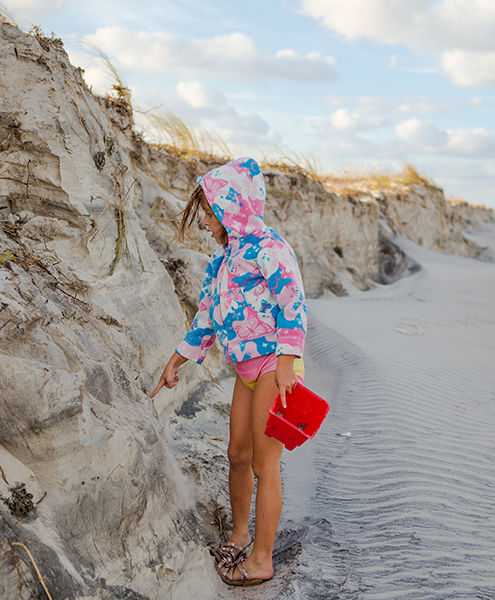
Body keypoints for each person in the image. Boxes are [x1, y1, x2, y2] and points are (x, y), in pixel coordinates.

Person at [151, 157, 306, 587]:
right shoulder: (220, 262)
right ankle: (239, 533)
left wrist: (289, 364)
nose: (203, 219)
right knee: (237, 454)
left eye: (207, 210)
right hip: (246, 371)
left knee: (264, 463)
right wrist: (177, 359)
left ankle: (261, 558)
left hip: (277, 367)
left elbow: (294, 304)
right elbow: (206, 317)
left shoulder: (270, 248)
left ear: (230, 207)